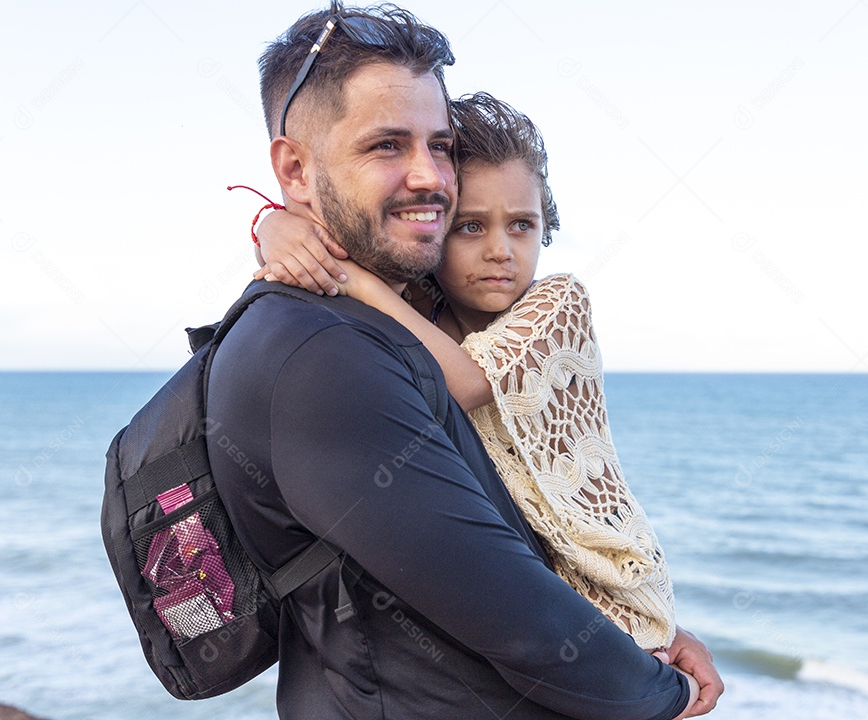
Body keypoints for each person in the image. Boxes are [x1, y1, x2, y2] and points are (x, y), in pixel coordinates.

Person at [209, 3, 721, 718]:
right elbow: (516, 614)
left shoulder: (451, 314)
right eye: (387, 145)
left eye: (441, 147)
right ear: (294, 168)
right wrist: (659, 693)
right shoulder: (327, 350)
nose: (429, 178)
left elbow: (514, 536)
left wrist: (650, 638)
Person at [256, 92, 685, 662]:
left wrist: (358, 281)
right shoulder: (419, 308)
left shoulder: (557, 306)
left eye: (522, 225)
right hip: (526, 591)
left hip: (606, 585)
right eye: (471, 227)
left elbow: (466, 384)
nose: (500, 251)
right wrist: (273, 226)